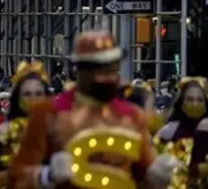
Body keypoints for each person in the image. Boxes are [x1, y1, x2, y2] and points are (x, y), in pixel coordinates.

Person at [10, 30, 177, 188]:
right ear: (81, 70)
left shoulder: (133, 116)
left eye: (112, 67)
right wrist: (44, 175)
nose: (109, 75)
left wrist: (156, 176)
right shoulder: (49, 114)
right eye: (100, 68)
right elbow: (17, 177)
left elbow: (142, 173)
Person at [0, 61, 49, 188]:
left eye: (38, 94)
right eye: (27, 94)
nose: (33, 99)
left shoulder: (56, 131)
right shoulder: (3, 132)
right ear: (18, 97)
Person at [157, 76, 208, 143]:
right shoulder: (167, 132)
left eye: (200, 100)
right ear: (181, 102)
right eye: (190, 99)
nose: (195, 104)